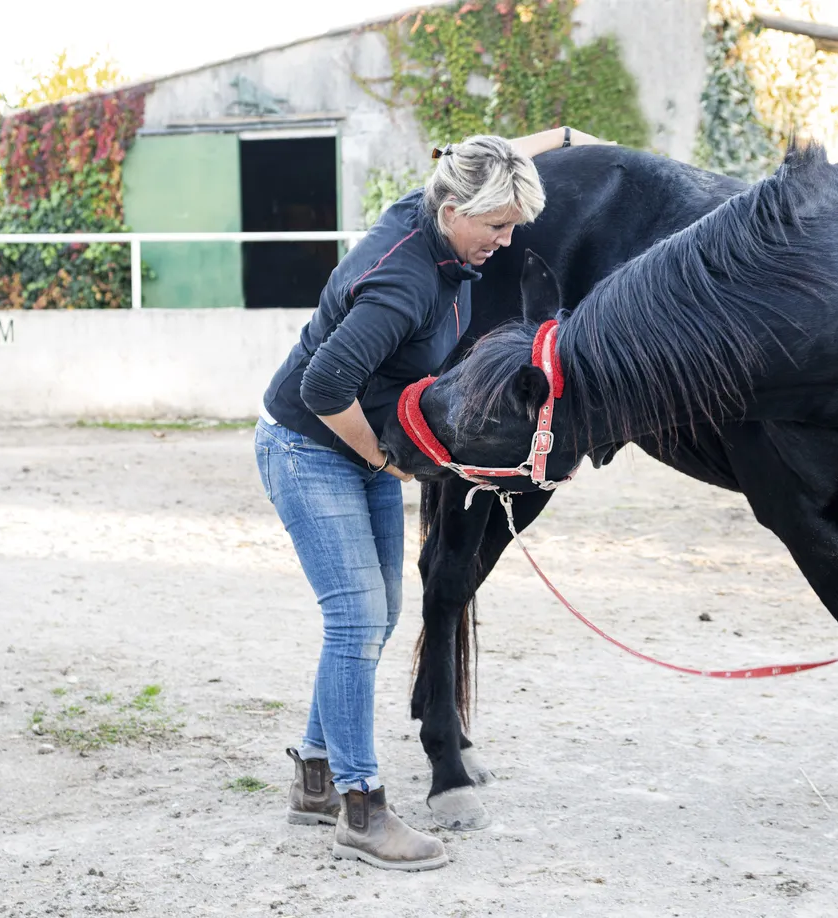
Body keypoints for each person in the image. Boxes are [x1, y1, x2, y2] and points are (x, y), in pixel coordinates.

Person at [255, 127, 609, 871]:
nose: (507, 241)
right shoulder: (405, 280)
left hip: (357, 443)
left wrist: (568, 139)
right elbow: (323, 388)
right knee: (355, 618)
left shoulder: (437, 217)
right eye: (498, 225)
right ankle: (361, 808)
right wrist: (389, 459)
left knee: (376, 615)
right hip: (311, 443)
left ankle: (314, 779)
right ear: (453, 211)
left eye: (515, 226)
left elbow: (476, 160)